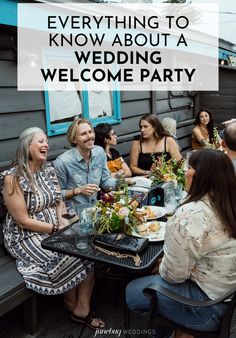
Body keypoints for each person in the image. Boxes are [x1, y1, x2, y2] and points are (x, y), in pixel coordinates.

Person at [1, 127, 105, 329]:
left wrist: (63, 221)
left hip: (55, 226)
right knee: (65, 255)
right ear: (26, 147)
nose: (45, 145)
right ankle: (71, 303)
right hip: (26, 235)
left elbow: (58, 201)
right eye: (40, 141)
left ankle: (81, 308)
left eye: (46, 141)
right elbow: (22, 220)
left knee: (88, 249)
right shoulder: (12, 178)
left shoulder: (48, 170)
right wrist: (55, 229)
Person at [126, 149, 236, 338]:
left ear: (202, 176)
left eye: (190, 167)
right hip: (227, 297)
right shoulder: (228, 201)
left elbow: (173, 276)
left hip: (208, 309)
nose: (185, 171)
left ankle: (169, 329)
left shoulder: (190, 214)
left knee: (133, 291)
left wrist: (161, 265)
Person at [54, 118, 118, 212]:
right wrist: (78, 190)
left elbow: (105, 181)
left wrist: (123, 182)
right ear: (74, 139)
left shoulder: (99, 152)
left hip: (95, 210)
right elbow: (57, 195)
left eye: (90, 132)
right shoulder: (62, 162)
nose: (90, 136)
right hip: (73, 215)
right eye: (84, 134)